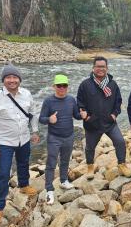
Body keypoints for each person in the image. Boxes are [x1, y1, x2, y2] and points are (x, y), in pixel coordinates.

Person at [0, 62, 40, 226]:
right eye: (8, 77)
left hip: (24, 138)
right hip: (4, 142)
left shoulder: (27, 94)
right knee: (3, 173)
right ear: (3, 80)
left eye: (14, 77)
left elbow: (33, 114)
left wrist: (35, 131)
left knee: (24, 163)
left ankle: (24, 185)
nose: (12, 80)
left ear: (19, 79)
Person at [77, 56, 131, 179]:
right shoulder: (85, 84)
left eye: (103, 67)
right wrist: (86, 117)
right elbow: (80, 103)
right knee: (90, 147)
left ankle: (122, 164)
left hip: (109, 123)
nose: (100, 69)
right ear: (93, 68)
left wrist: (114, 115)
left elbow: (118, 101)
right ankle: (90, 167)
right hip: (92, 123)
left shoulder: (112, 84)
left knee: (120, 141)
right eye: (98, 66)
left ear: (107, 68)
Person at [39, 73, 87, 205]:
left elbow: (76, 115)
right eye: (59, 86)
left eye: (64, 85)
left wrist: (82, 115)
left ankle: (64, 181)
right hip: (54, 137)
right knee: (51, 164)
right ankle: (49, 189)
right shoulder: (48, 101)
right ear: (54, 86)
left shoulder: (71, 100)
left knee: (65, 161)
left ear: (67, 87)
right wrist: (49, 119)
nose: (61, 88)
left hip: (69, 136)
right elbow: (41, 119)